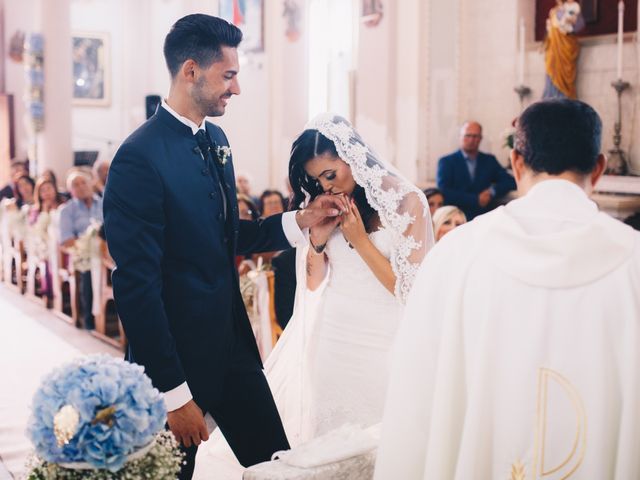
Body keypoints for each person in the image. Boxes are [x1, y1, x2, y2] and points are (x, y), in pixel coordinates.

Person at [102, 14, 341, 480]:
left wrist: (300, 220)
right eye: (228, 75)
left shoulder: (216, 139)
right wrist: (173, 395)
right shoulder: (138, 158)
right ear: (191, 71)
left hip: (232, 352)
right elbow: (136, 287)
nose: (236, 88)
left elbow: (229, 236)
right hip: (175, 366)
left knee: (280, 468)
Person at [375, 99, 640, 479]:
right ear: (598, 168)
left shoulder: (456, 254)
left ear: (516, 162)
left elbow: (412, 395)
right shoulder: (634, 262)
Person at [195, 113, 434, 478]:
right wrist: (318, 244)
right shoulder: (328, 205)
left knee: (380, 445)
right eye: (317, 180)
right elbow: (311, 285)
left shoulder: (406, 202)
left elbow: (409, 289)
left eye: (330, 174)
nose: (327, 187)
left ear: (351, 157)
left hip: (383, 341)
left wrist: (359, 241)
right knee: (332, 452)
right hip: (333, 341)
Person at [437, 121, 516, 220]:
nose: (471, 140)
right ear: (460, 137)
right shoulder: (446, 162)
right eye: (467, 135)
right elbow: (444, 191)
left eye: (475, 136)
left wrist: (492, 191)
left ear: (480, 138)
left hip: (483, 217)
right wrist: (475, 199)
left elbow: (511, 181)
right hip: (456, 218)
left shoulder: (489, 160)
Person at [59, 169, 102, 330]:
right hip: (82, 255)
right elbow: (66, 241)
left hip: (106, 253)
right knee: (88, 270)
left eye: (84, 182)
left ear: (91, 183)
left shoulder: (104, 202)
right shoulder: (67, 210)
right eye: (75, 185)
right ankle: (90, 319)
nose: (81, 187)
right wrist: (87, 242)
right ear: (71, 191)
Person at [543, 0, 585, 99]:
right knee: (551, 70)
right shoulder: (553, 11)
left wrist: (570, 22)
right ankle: (551, 99)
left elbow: (579, 25)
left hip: (566, 47)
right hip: (553, 50)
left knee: (565, 81)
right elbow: (550, 32)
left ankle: (564, 99)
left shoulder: (573, 7)